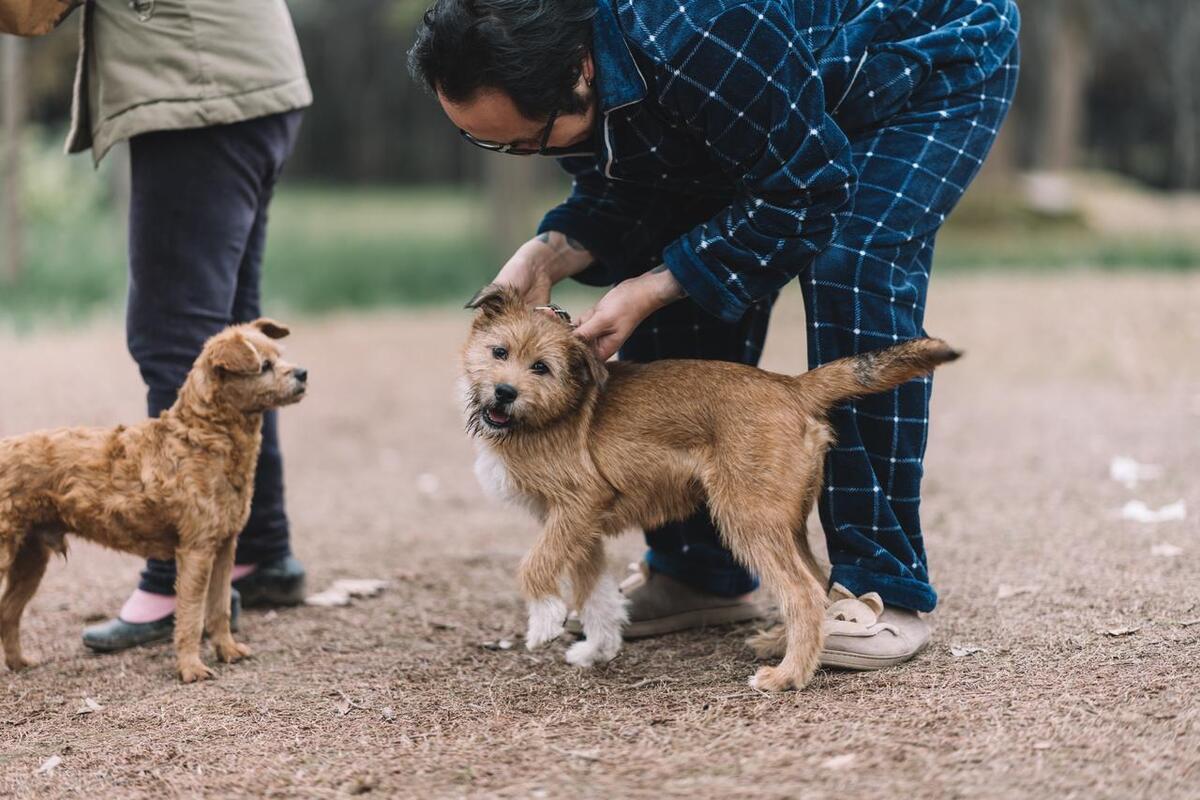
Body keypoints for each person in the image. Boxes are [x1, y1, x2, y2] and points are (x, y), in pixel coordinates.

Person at [410, 0, 1019, 669]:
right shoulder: (566, 61)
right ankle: (699, 568)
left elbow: (804, 193)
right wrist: (547, 254)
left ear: (581, 71)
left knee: (853, 262)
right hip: (775, 97)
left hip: (919, 58)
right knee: (673, 254)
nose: (522, 154)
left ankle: (881, 584)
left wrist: (653, 286)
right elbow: (632, 191)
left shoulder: (699, 28)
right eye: (492, 143)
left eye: (526, 140)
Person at [65, 0, 313, 651]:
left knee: (175, 334)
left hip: (197, 84)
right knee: (238, 337)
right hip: (246, 71)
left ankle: (178, 575)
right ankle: (259, 550)